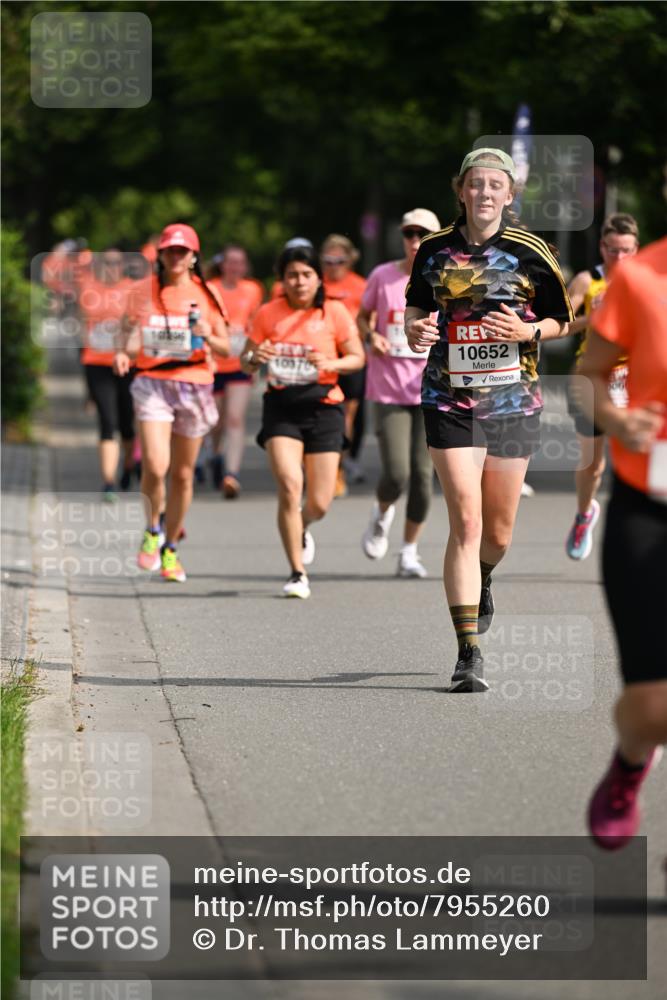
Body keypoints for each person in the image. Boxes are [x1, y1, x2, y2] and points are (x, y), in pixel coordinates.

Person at [405, 148, 573, 692]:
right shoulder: (433, 250)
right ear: (460, 190)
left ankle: (484, 576)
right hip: (448, 398)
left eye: (494, 186)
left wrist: (531, 332)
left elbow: (562, 320)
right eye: (474, 185)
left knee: (496, 534)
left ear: (508, 194)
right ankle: (468, 651)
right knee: (466, 522)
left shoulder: (531, 250)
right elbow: (415, 307)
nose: (483, 194)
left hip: (512, 404)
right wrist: (414, 330)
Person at [577, 237, 667, 850]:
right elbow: (586, 378)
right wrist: (614, 419)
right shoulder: (640, 278)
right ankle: (633, 759)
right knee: (653, 709)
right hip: (651, 504)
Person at [239, 243, 364, 598]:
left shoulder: (334, 312)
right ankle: (297, 572)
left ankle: (303, 524)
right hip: (281, 408)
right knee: (290, 485)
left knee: (320, 501)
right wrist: (254, 356)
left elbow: (357, 358)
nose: (299, 282)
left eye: (306, 275)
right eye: (292, 275)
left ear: (317, 278)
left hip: (324, 407)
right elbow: (244, 361)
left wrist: (332, 365)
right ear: (282, 280)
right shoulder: (269, 313)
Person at [114, 223, 229, 582]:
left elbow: (227, 349)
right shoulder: (141, 291)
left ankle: (171, 548)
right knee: (154, 463)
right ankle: (152, 529)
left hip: (194, 384)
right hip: (152, 383)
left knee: (182, 474)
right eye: (169, 251)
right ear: (160, 256)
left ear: (194, 257)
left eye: (183, 251)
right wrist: (122, 351)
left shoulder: (208, 295)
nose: (175, 257)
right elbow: (126, 331)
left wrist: (208, 334)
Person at [357, 209, 441, 578]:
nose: (414, 240)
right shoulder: (383, 276)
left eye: (423, 234)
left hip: (432, 389)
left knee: (424, 477)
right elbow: (361, 317)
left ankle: (408, 551)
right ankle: (382, 511)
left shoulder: (447, 280)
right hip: (389, 389)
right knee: (396, 474)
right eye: (409, 233)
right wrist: (370, 335)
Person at [565, 214, 640, 560]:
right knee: (593, 463)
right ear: (602, 248)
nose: (620, 258)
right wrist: (590, 319)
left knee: (637, 462)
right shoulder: (587, 280)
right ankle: (584, 515)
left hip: (634, 382)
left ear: (636, 249)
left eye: (627, 251)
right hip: (591, 381)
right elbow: (559, 325)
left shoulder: (647, 282)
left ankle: (639, 533)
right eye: (613, 251)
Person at [77, 248, 136, 500]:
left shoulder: (133, 289)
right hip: (96, 363)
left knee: (126, 423)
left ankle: (128, 465)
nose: (111, 267)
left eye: (116, 263)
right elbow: (81, 327)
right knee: (107, 421)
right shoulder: (88, 289)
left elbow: (139, 326)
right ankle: (108, 481)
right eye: (106, 263)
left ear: (122, 265)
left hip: (127, 365)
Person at [208, 245, 264, 497]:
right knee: (216, 420)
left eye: (239, 262)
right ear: (223, 264)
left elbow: (256, 324)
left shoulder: (253, 289)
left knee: (234, 418)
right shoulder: (210, 289)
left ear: (245, 266)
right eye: (230, 262)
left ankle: (232, 474)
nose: (234, 267)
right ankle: (216, 454)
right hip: (213, 363)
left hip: (240, 362)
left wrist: (254, 359)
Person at [319, 234, 367, 497]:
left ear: (349, 260)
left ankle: (339, 466)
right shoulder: (316, 285)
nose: (334, 265)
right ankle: (322, 463)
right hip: (323, 358)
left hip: (352, 358)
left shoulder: (360, 285)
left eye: (339, 260)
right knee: (323, 411)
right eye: (328, 260)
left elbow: (370, 317)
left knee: (347, 415)